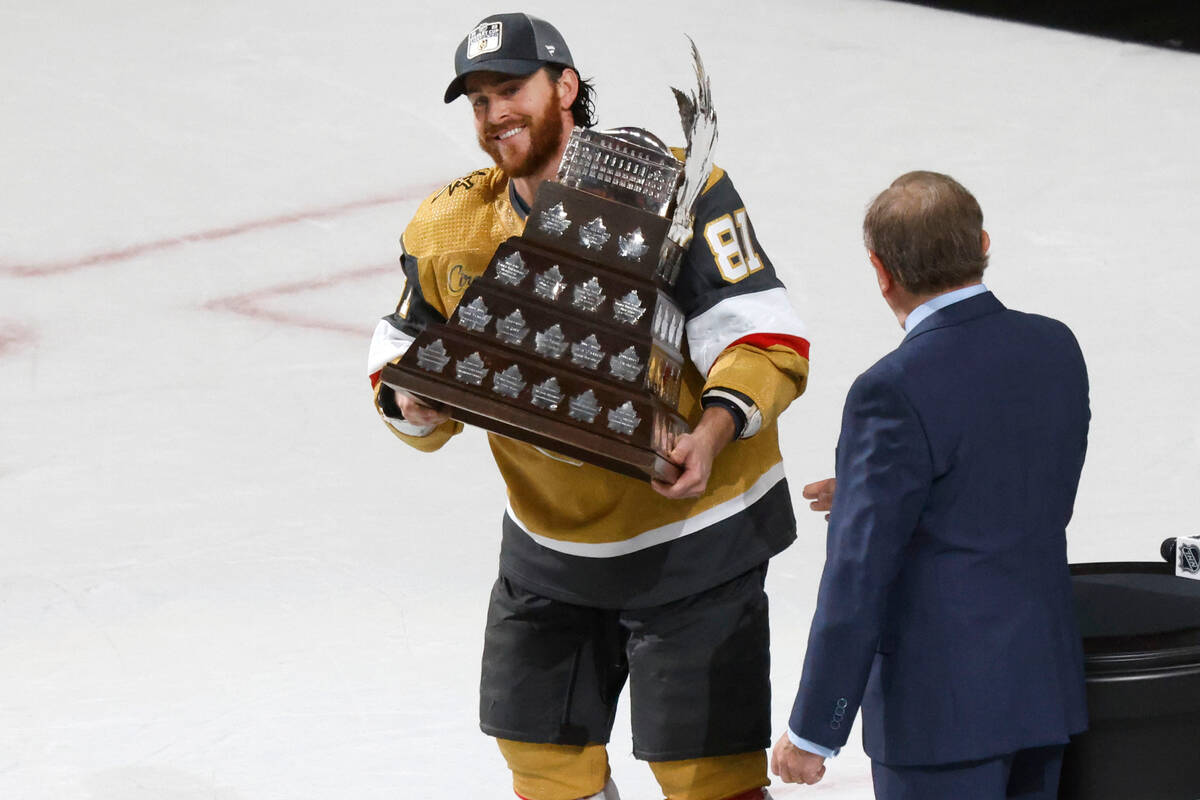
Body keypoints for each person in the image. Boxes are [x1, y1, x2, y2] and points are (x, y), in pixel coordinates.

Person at [366, 13, 811, 800]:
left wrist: (711, 434)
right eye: (477, 100)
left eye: (511, 89)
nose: (495, 113)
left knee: (707, 777)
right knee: (541, 761)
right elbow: (398, 355)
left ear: (566, 88)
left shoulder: (676, 191)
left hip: (693, 538)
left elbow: (764, 335)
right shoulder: (447, 228)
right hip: (551, 549)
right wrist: (414, 400)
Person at [771, 171, 1089, 799]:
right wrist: (882, 488)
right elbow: (1022, 482)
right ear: (983, 244)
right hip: (1043, 694)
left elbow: (858, 576)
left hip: (940, 718)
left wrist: (814, 730)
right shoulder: (1056, 346)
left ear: (880, 270)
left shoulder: (891, 389)